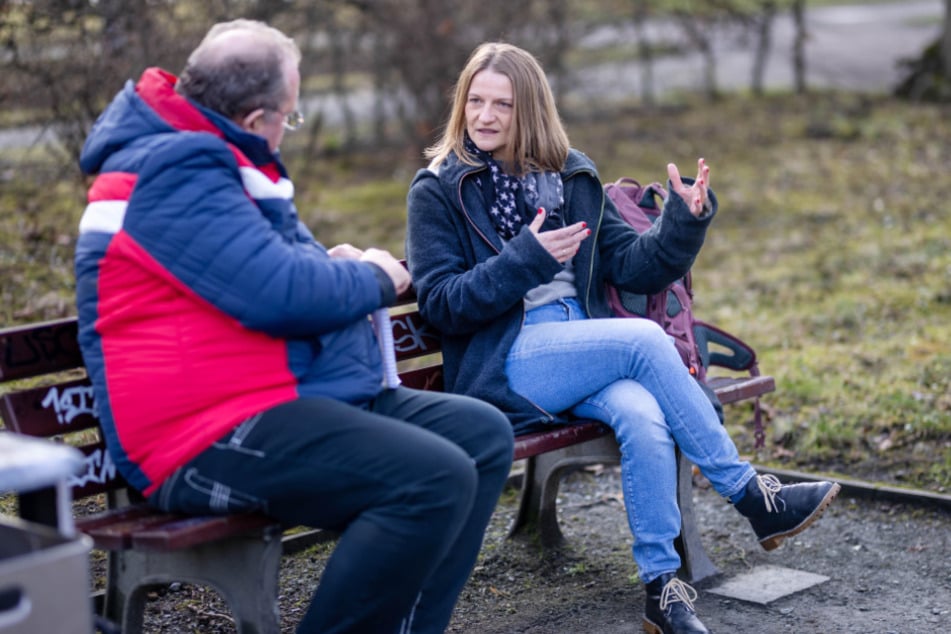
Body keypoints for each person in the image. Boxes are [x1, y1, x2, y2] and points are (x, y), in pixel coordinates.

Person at [74, 20, 514, 634]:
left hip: (266, 398)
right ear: (257, 118)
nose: (287, 129)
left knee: (480, 433)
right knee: (431, 478)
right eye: (290, 114)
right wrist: (379, 280)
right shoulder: (176, 169)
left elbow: (259, 272)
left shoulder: (215, 159)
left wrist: (329, 264)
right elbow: (277, 296)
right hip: (197, 434)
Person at [405, 41, 840, 634]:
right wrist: (524, 260)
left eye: (502, 105)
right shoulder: (439, 190)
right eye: (475, 101)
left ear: (529, 109)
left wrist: (681, 223)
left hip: (579, 345)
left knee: (641, 414)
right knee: (641, 342)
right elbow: (442, 305)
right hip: (505, 359)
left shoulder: (571, 175)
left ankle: (663, 587)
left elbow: (631, 267)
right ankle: (749, 493)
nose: (485, 116)